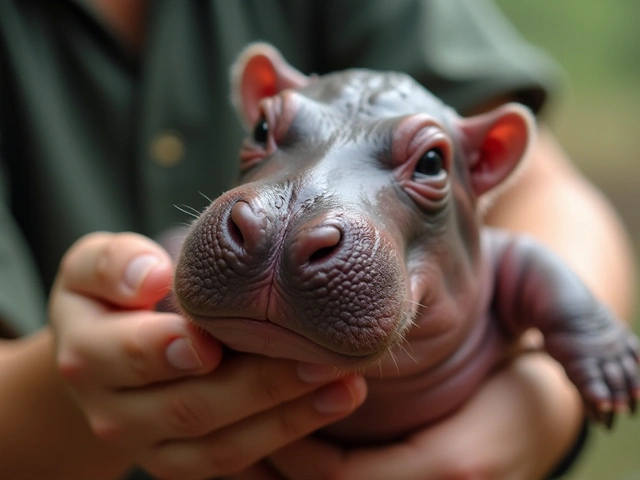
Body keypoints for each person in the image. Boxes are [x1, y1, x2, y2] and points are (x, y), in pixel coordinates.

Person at [0, 1, 635, 479]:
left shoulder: (504, 265)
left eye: (431, 165)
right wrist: (75, 385)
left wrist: (548, 403)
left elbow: (548, 206)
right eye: (268, 131)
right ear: (259, 98)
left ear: (489, 157)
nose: (297, 224)